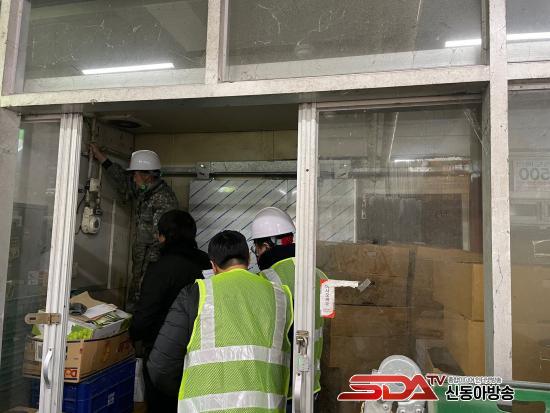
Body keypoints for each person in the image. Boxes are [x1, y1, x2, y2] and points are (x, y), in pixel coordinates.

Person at [147, 230, 293, 412]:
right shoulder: (279, 296)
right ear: (249, 259)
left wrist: (188, 390)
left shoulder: (195, 295)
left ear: (213, 266)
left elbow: (160, 367)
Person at [130, 210, 211, 412]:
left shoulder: (161, 268)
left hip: (163, 358)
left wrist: (132, 335)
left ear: (163, 237)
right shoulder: (207, 264)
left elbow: (144, 317)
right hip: (203, 353)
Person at [251, 207, 327, 404]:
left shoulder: (266, 279)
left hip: (280, 386)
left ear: (266, 246)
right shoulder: (319, 275)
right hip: (311, 385)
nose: (256, 254)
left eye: (256, 249)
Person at [89, 144, 178, 309]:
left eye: (136, 174)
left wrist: (148, 270)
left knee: (146, 297)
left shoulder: (164, 200)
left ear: (148, 175)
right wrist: (100, 156)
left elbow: (162, 240)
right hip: (140, 261)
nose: (134, 178)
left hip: (152, 263)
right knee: (136, 295)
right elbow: (121, 178)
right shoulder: (144, 190)